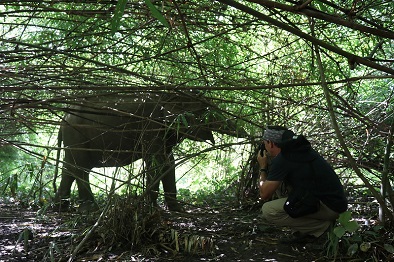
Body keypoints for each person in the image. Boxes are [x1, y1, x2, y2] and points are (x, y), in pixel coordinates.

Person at [257, 125, 348, 243]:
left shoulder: (284, 158)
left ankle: (321, 228)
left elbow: (264, 194)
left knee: (269, 210)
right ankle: (314, 226)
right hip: (335, 203)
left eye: (264, 143)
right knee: (280, 187)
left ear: (271, 143)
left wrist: (263, 167)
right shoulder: (300, 150)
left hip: (328, 208)